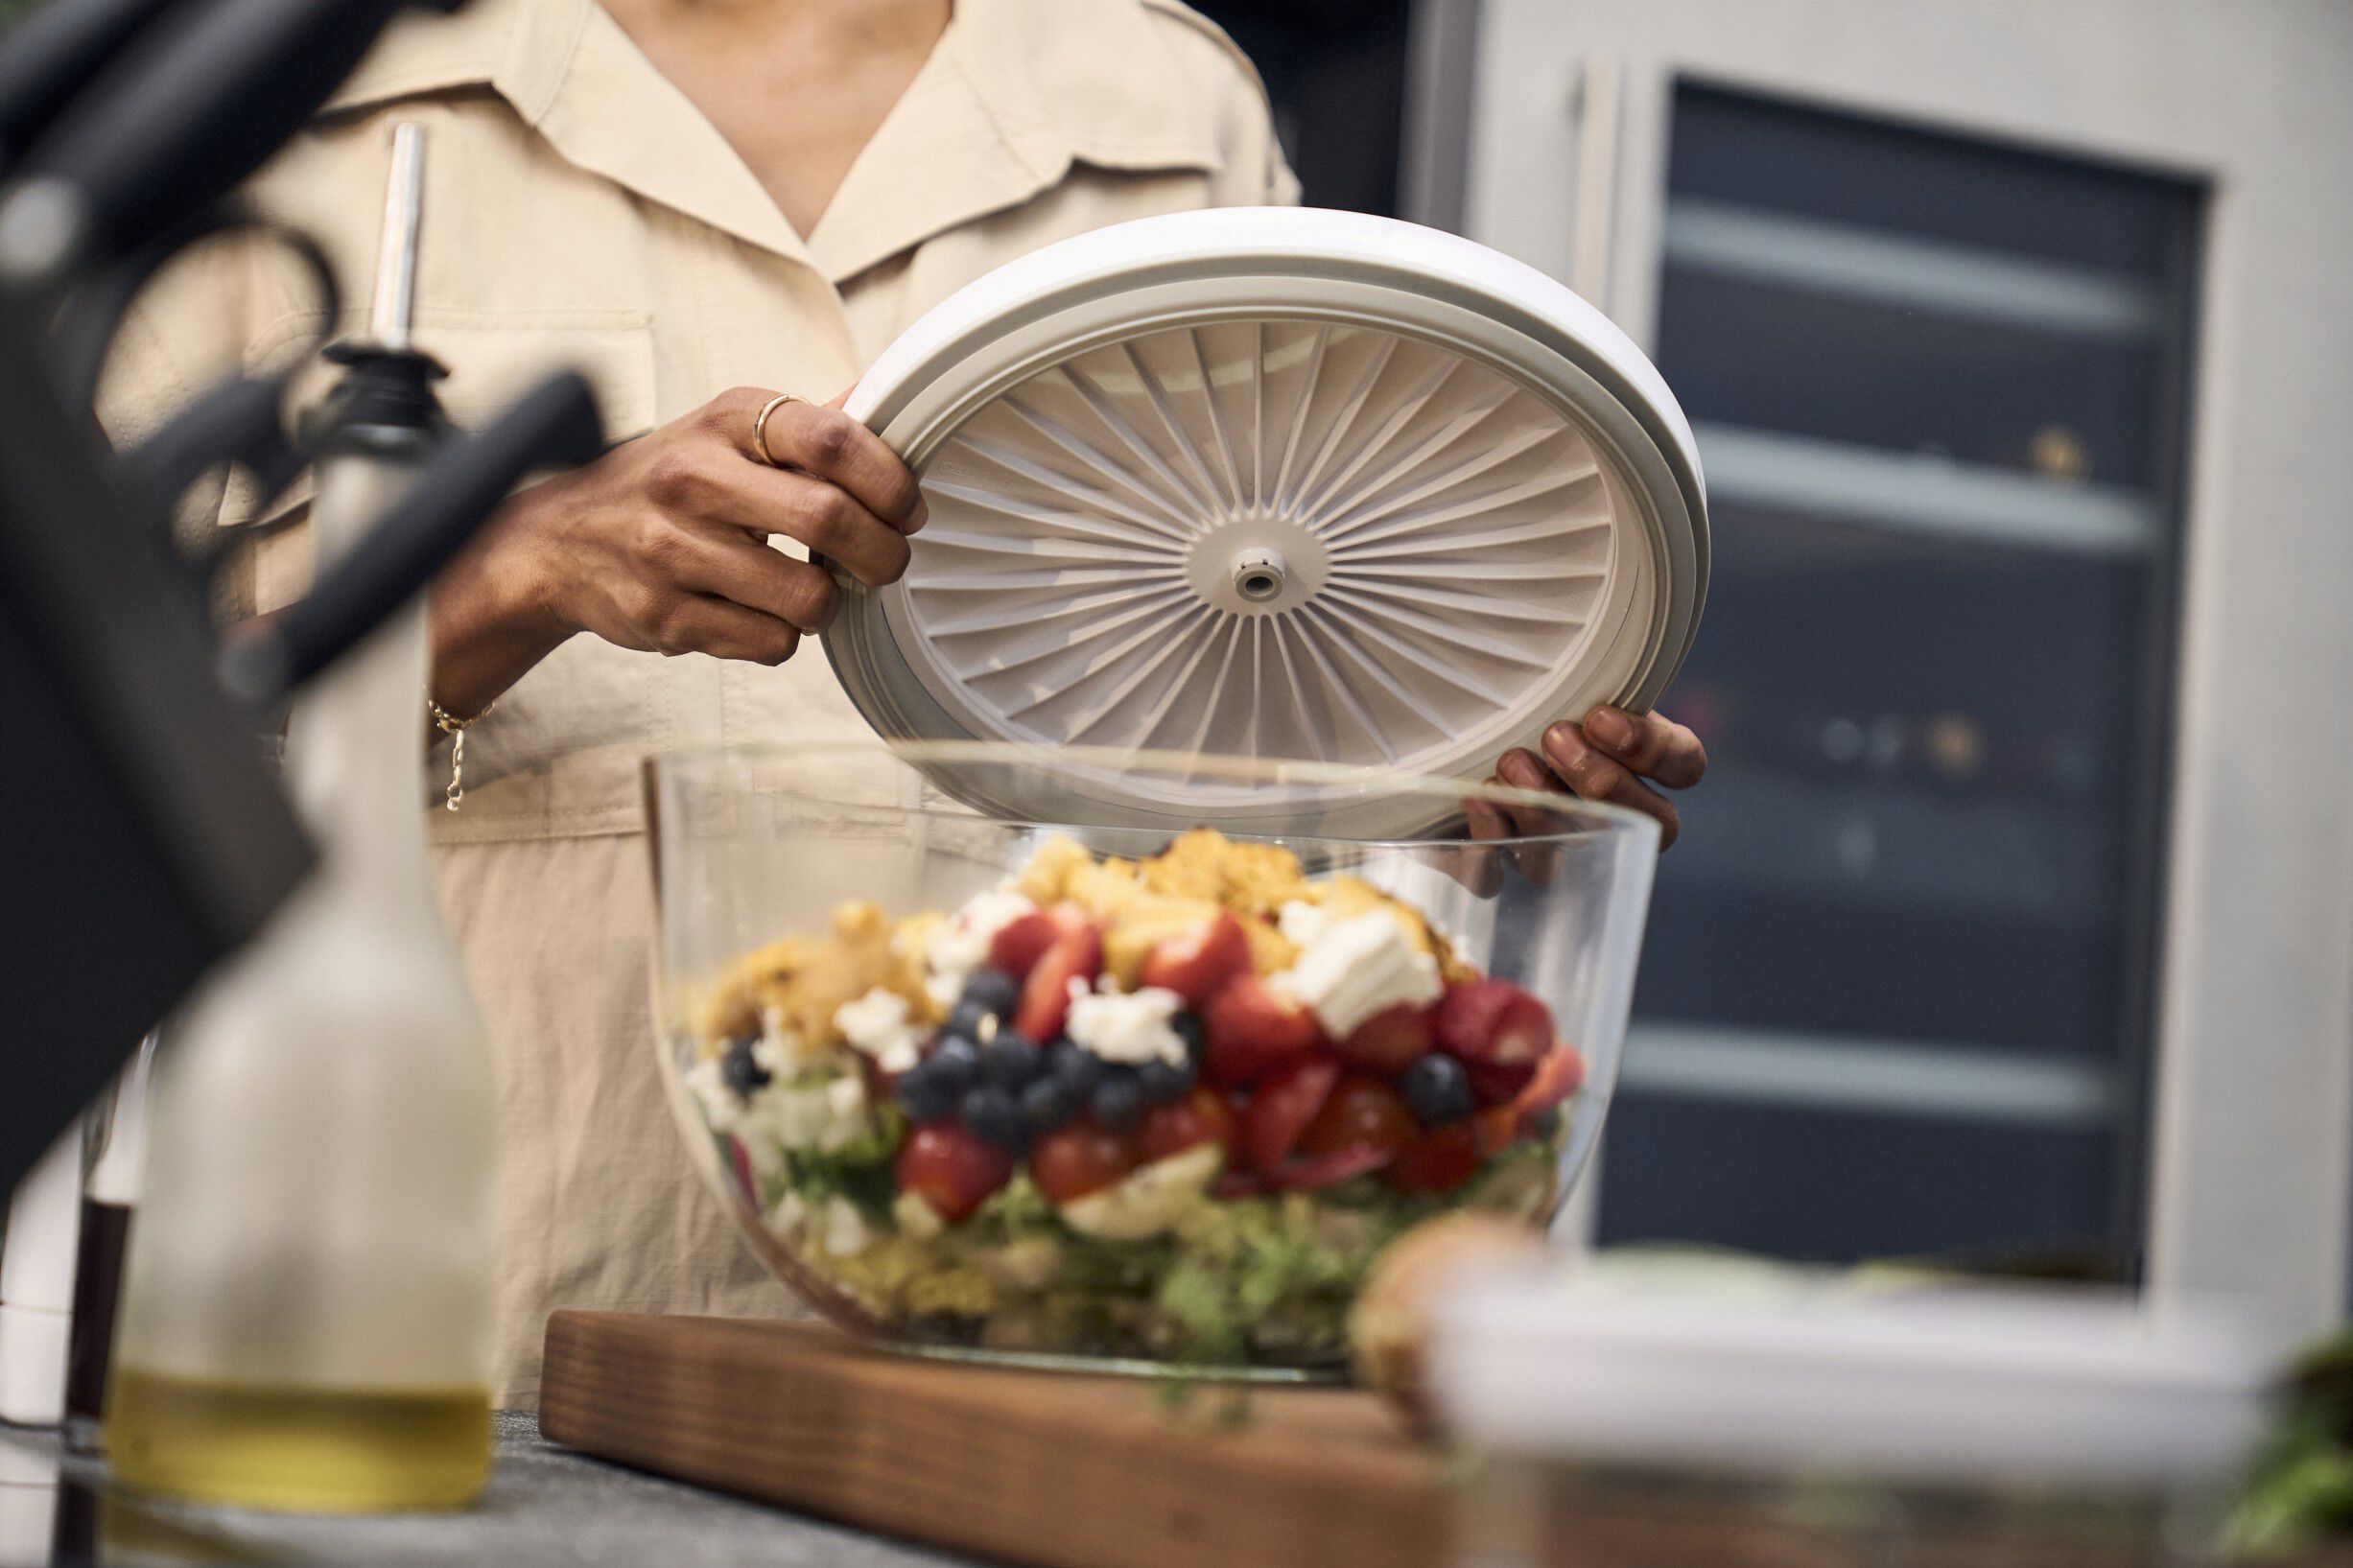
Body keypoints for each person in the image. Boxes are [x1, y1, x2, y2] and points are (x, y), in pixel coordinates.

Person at [103, 0, 1706, 1406]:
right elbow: (77, 733)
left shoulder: (1160, 97)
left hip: (1018, 1334)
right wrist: (494, 571)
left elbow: (1246, 675)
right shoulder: (295, 83)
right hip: (414, 1307)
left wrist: (1429, 788)